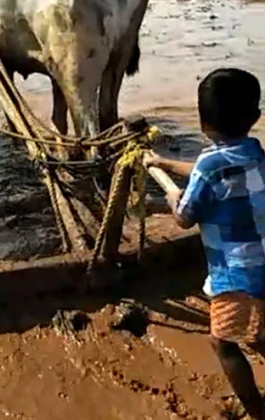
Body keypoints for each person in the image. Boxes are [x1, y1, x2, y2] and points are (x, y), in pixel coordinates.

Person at [145, 68, 264, 419]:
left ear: (201, 121)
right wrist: (161, 161)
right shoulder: (256, 154)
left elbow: (184, 216)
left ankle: (257, 412)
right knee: (257, 332)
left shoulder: (209, 165)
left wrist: (170, 194)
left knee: (223, 342)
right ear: (255, 118)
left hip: (235, 278)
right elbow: (206, 169)